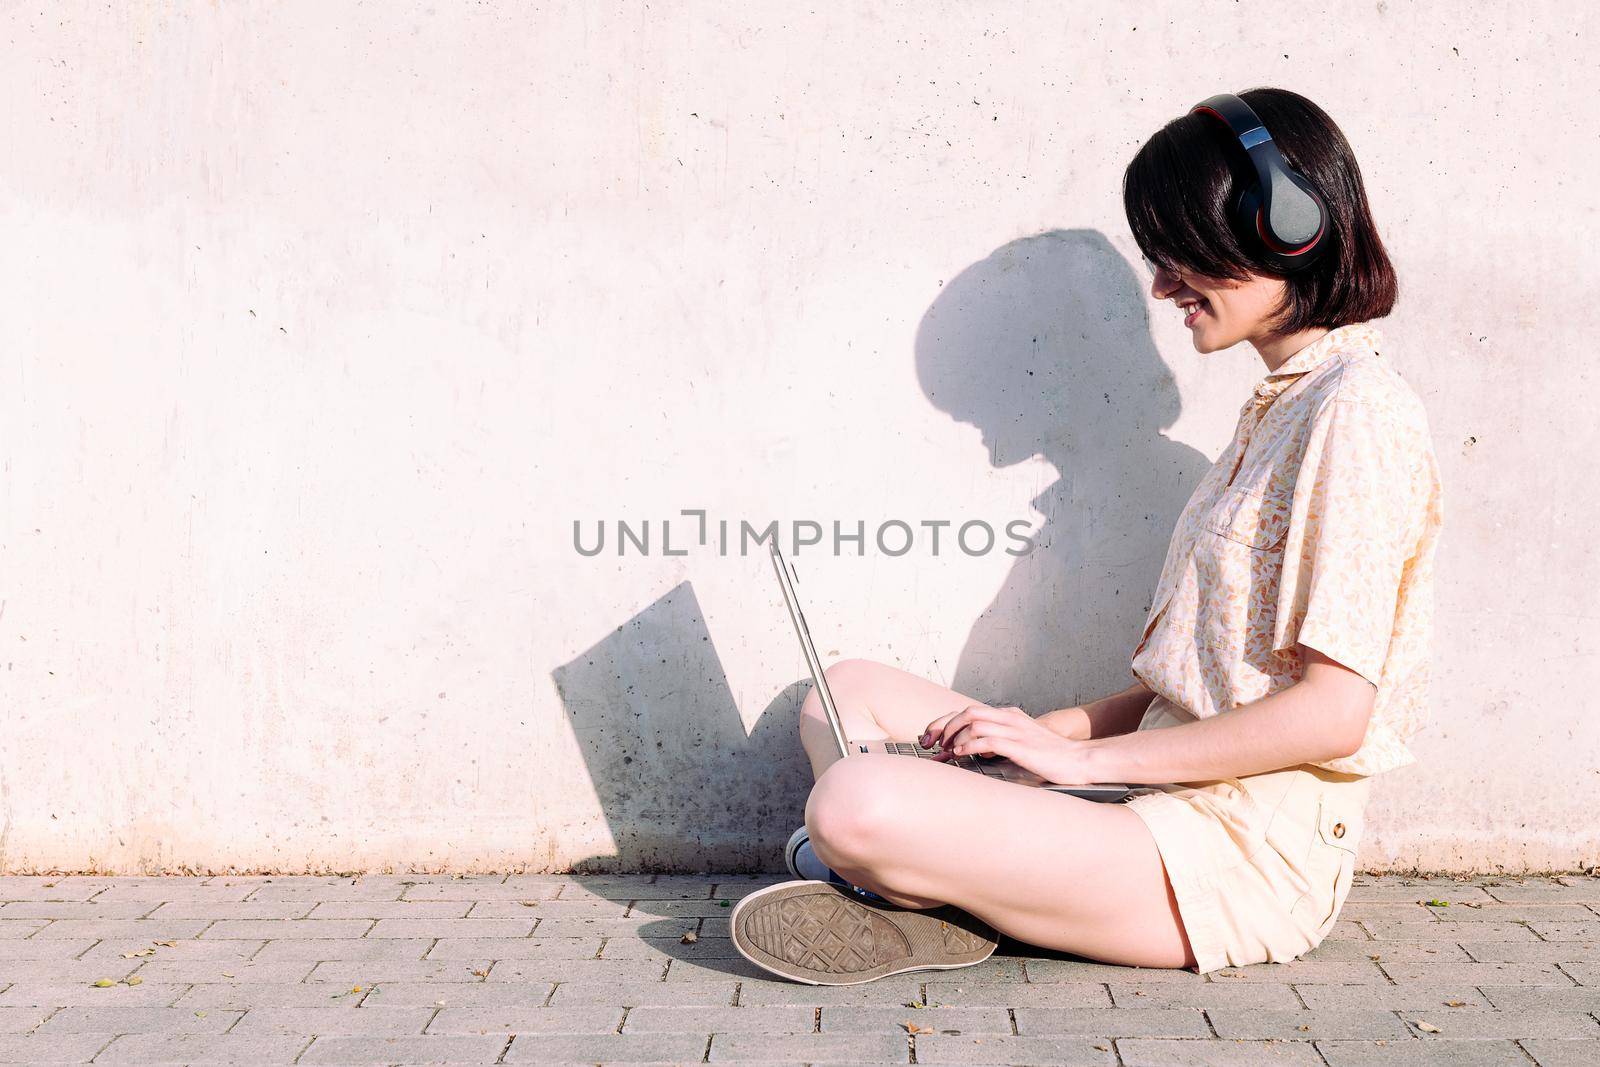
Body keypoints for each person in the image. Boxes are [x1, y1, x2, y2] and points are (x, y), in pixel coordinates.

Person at [729, 86, 1444, 985]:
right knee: (844, 692)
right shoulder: (1274, 414)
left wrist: (1075, 763)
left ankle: (908, 878)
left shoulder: (1359, 412)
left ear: (1284, 225)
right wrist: (1030, 733)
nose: (1163, 285)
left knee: (853, 801)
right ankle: (931, 886)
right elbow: (1186, 694)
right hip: (1148, 795)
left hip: (1236, 854)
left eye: (1182, 251)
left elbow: (1336, 713)